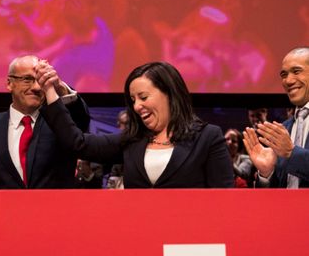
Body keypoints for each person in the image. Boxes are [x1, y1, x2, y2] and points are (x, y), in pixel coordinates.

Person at [38, 61, 234, 188]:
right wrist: (52, 93)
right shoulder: (131, 141)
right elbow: (77, 143)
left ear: (170, 94)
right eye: (133, 100)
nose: (137, 106)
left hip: (188, 242)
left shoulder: (208, 137)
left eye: (143, 97)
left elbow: (223, 199)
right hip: (139, 237)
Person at [0, 55, 90, 189]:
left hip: (53, 209)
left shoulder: (60, 124)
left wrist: (60, 88)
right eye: (27, 79)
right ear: (10, 83)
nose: (36, 87)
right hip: (3, 209)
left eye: (40, 80)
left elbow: (81, 119)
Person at [244, 47, 309, 188]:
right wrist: (266, 174)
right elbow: (272, 196)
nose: (288, 81)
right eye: (284, 75)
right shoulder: (283, 129)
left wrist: (292, 153)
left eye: (296, 71)